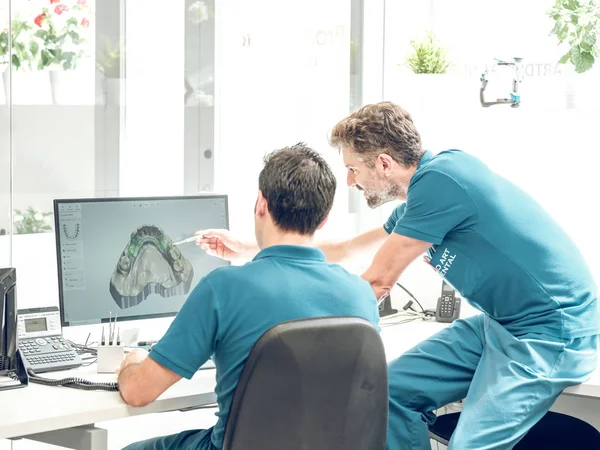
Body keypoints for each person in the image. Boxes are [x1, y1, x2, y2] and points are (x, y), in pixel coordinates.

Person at [197, 102, 599, 450]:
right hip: (502, 325)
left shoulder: (440, 181)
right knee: (388, 395)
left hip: (551, 332)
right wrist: (252, 248)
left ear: (384, 163)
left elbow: (377, 281)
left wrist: (298, 335)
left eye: (353, 169)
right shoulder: (421, 198)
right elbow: (348, 249)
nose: (350, 181)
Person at [118, 143, 380, 450]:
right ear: (322, 219)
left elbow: (138, 392)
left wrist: (132, 361)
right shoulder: (361, 295)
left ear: (261, 204)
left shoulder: (223, 288)